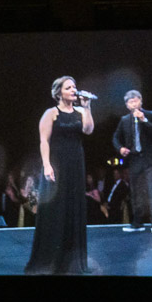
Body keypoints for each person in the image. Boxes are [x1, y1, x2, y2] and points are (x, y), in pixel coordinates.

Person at [25, 77, 94, 274]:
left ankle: (72, 262)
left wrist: (87, 107)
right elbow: (44, 141)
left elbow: (88, 130)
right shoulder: (51, 113)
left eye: (74, 86)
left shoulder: (81, 111)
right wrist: (47, 165)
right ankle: (50, 260)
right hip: (56, 165)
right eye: (68, 87)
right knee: (56, 208)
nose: (74, 90)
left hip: (75, 164)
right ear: (59, 93)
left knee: (73, 208)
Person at [113, 89, 152, 234]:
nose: (134, 104)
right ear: (127, 105)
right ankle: (137, 223)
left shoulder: (151, 115)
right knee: (136, 192)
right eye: (131, 102)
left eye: (136, 101)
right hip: (135, 159)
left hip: (151, 159)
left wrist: (144, 120)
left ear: (141, 101)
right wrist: (120, 148)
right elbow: (115, 137)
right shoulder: (124, 120)